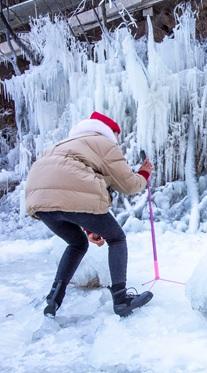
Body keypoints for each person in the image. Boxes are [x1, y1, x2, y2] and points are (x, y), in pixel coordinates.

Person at [26, 111, 154, 317]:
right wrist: (144, 173)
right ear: (109, 132)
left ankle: (54, 298)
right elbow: (129, 185)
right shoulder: (103, 143)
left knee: (77, 243)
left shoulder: (63, 144)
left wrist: (89, 227)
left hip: (39, 201)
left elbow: (67, 182)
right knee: (117, 238)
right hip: (71, 197)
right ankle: (121, 299)